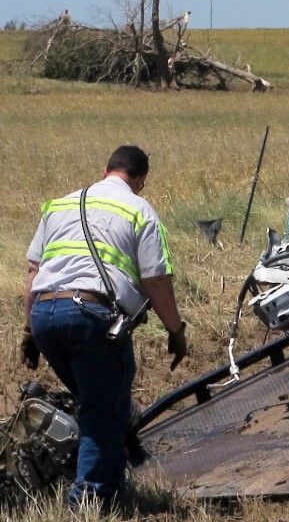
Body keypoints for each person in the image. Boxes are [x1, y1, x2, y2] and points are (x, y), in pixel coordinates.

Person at [20, 145, 188, 510]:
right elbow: (156, 279)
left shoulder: (61, 204)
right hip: (91, 317)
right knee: (103, 411)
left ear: (105, 170)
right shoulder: (140, 210)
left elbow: (33, 272)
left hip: (45, 316)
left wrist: (30, 333)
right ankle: (90, 503)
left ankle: (110, 488)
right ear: (141, 180)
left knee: (98, 404)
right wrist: (176, 331)